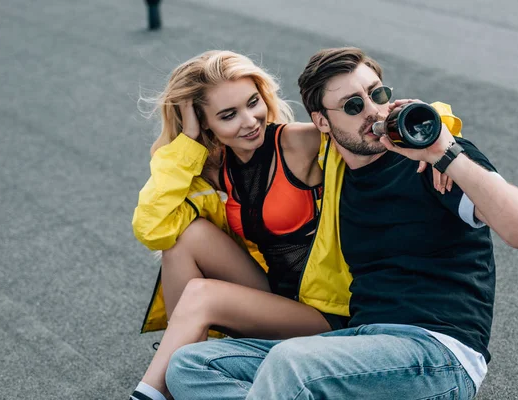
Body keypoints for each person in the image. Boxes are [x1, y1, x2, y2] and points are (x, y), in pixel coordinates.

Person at [164, 47, 518, 400]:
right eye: (352, 105)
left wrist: (445, 153)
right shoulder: (333, 179)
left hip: (437, 355)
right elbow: (162, 216)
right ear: (322, 123)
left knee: (292, 363)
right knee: (191, 366)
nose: (374, 111)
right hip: (357, 348)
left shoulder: (431, 163)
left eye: (377, 93)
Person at [130, 50, 454, 400]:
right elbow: (154, 228)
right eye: (228, 115)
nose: (250, 120)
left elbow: (382, 125)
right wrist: (188, 143)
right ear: (204, 122)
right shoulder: (209, 167)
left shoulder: (298, 142)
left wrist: (439, 147)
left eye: (253, 102)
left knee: (201, 295)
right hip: (276, 298)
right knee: (182, 238)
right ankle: (185, 358)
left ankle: (158, 387)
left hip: (328, 312)